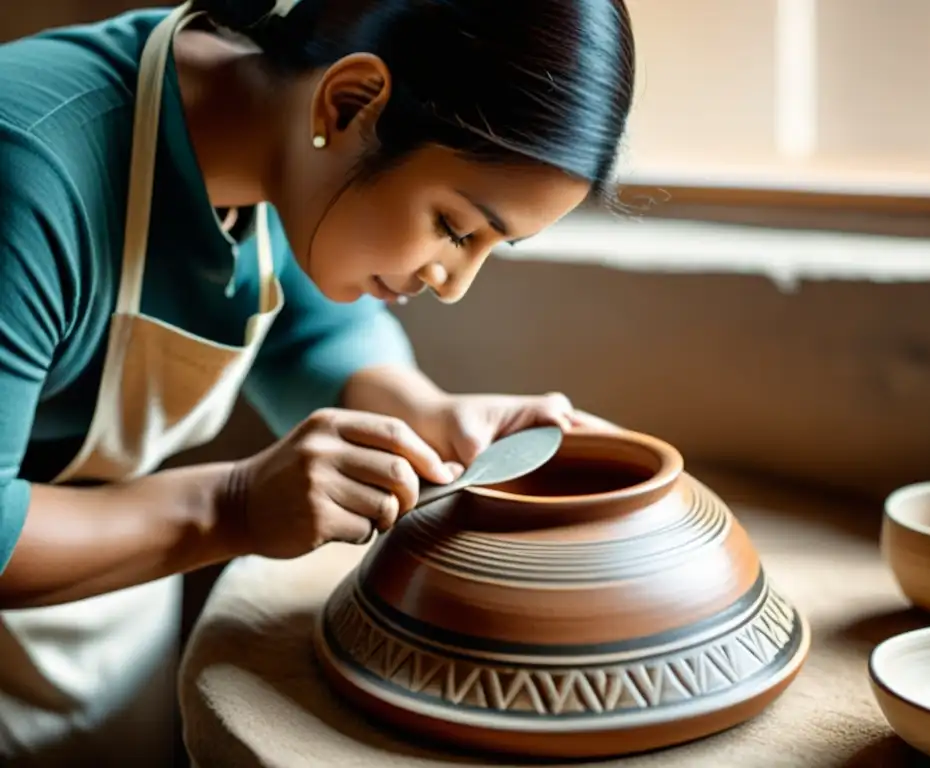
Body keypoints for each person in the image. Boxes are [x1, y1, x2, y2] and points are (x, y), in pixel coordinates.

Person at [0, 0, 635, 763]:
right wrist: (230, 506)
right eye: (457, 228)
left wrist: (428, 415)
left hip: (98, 625)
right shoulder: (29, 169)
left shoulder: (268, 135)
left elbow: (308, 330)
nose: (455, 282)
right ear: (350, 102)